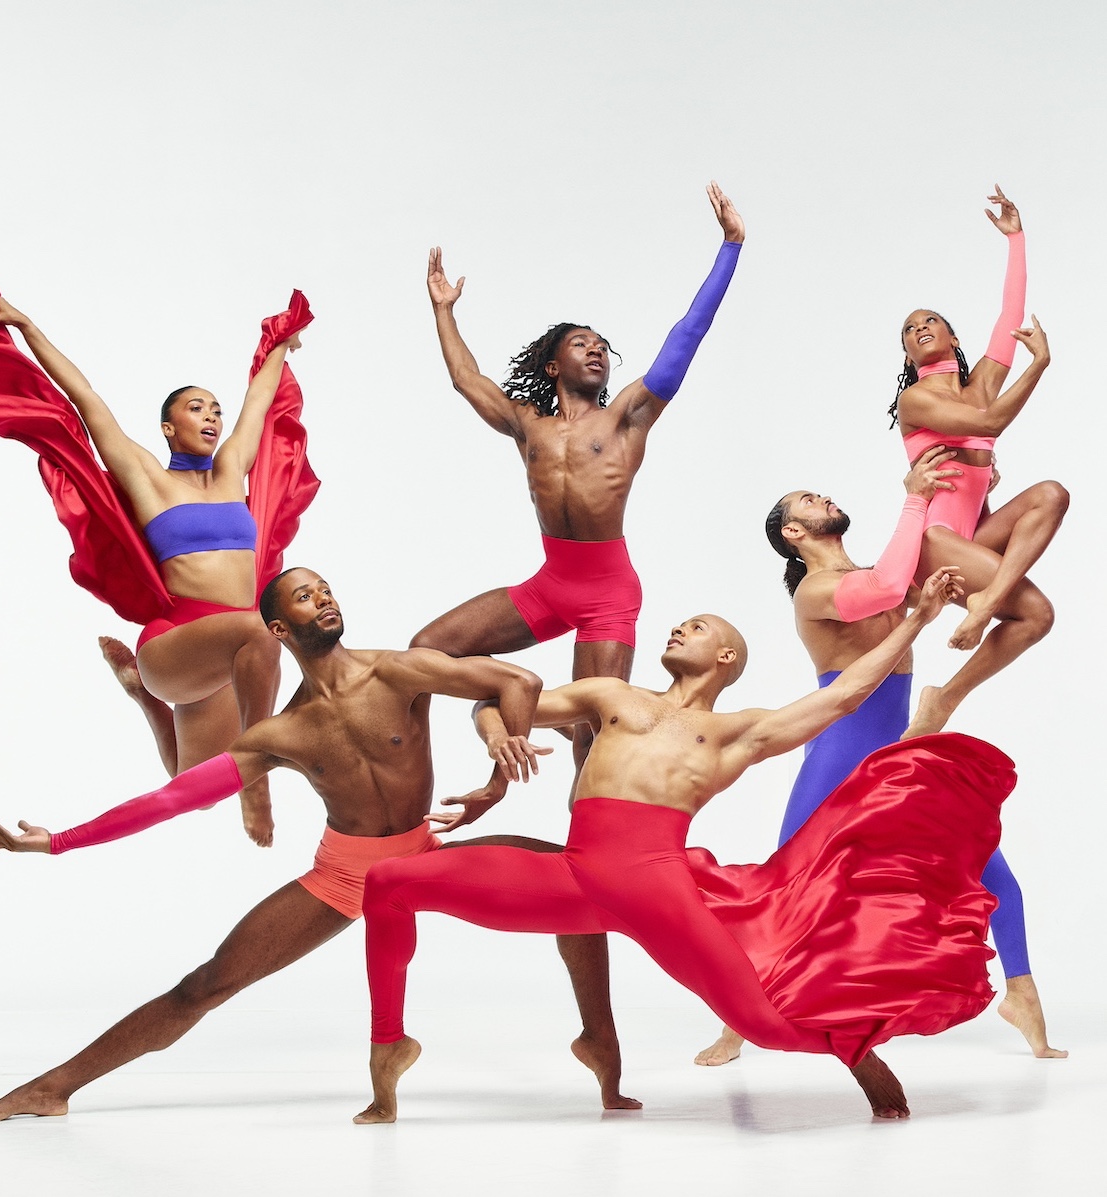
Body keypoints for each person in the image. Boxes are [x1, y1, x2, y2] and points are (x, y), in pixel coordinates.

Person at [353, 566, 1014, 1126]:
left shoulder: (735, 732)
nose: (678, 629)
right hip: (576, 876)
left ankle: (855, 1047)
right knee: (388, 883)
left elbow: (842, 695)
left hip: (655, 887)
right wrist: (496, 735)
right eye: (680, 624)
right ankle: (390, 1045)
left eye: (697, 627)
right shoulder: (610, 695)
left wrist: (915, 619)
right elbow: (496, 697)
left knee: (762, 1027)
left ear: (725, 657)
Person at [0, 567, 552, 1124]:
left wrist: (498, 783)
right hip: (343, 878)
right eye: (304, 596)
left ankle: (600, 1049)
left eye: (325, 589)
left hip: (424, 855)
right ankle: (52, 1088)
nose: (323, 598)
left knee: (583, 877)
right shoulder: (280, 734)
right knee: (205, 984)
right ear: (277, 629)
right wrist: (59, 841)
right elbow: (173, 799)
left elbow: (517, 681)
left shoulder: (398, 671)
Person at [412, 182, 745, 1099]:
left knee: (587, 767)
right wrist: (442, 312)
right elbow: (466, 382)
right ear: (556, 363)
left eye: (605, 344)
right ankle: (466, 772)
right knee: (420, 654)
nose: (599, 350)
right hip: (547, 581)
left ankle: (597, 1027)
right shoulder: (529, 420)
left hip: (604, 596)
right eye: (582, 343)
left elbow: (685, 338)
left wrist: (727, 251)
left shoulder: (629, 415)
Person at [693, 459, 1065, 1068]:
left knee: (993, 876)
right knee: (782, 887)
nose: (823, 496)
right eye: (807, 501)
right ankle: (735, 1024)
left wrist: (977, 505)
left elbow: (919, 581)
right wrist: (914, 501)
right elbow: (892, 591)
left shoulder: (877, 572)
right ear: (794, 533)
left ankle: (1021, 996)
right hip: (839, 752)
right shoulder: (817, 592)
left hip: (900, 746)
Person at [0, 288, 318, 846]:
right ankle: (257, 775)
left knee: (197, 791)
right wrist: (27, 326)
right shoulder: (147, 477)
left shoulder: (231, 472)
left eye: (215, 408)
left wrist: (280, 345)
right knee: (263, 629)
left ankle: (144, 699)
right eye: (195, 407)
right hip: (179, 642)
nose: (212, 415)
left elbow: (258, 401)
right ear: (168, 428)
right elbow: (84, 398)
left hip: (227, 656)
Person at [888, 185, 1068, 737]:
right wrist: (1037, 368)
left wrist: (1016, 236)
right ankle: (986, 601)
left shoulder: (983, 382)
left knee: (1052, 496)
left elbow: (1011, 312)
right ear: (908, 354)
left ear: (952, 336)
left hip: (973, 539)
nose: (919, 327)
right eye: (908, 330)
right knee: (1031, 609)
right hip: (934, 544)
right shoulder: (916, 400)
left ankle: (944, 698)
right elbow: (990, 425)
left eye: (930, 321)